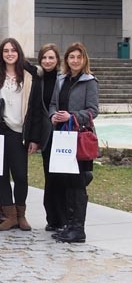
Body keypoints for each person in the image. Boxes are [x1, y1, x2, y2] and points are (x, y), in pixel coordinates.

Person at [0, 38, 46, 231]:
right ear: (1, 54)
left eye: (13, 50)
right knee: (1, 175)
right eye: (6, 51)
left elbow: (35, 110)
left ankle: (21, 215)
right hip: (0, 130)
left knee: (20, 176)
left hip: (20, 132)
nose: (9, 54)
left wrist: (34, 138)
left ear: (19, 53)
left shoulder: (30, 76)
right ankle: (9, 215)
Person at [48, 42, 99, 243]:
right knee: (66, 181)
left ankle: (78, 228)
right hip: (62, 136)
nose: (75, 60)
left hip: (79, 137)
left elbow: (93, 110)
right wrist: (53, 116)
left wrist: (71, 116)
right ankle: (69, 224)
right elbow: (53, 104)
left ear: (84, 59)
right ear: (66, 60)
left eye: (79, 57)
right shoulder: (61, 80)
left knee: (78, 183)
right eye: (71, 57)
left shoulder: (90, 81)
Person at [37, 43, 63, 232]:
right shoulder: (37, 80)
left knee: (62, 178)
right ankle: (52, 218)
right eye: (44, 58)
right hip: (46, 135)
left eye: (51, 58)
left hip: (62, 134)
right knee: (50, 176)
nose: (47, 61)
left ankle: (64, 216)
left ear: (57, 60)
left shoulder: (63, 79)